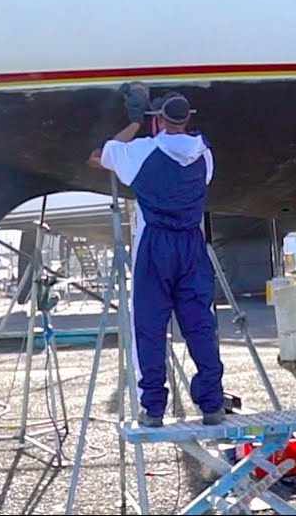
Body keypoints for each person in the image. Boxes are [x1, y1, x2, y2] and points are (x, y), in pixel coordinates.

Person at [87, 85, 225, 427]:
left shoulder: (143, 152)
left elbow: (98, 156)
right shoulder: (205, 154)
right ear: (187, 119)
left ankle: (154, 408)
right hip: (193, 244)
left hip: (156, 245)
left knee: (150, 326)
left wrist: (134, 122)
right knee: (200, 325)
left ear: (158, 120)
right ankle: (211, 404)